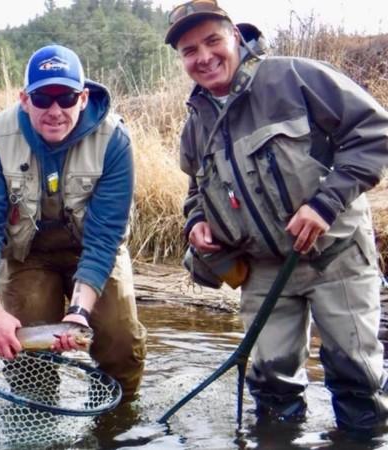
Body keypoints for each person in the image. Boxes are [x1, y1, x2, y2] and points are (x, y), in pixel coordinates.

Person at [166, 0, 388, 432]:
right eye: (190, 50)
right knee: (271, 389)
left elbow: (374, 134)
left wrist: (325, 204)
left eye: (213, 40)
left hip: (335, 256)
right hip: (265, 270)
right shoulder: (195, 123)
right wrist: (197, 223)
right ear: (182, 59)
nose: (204, 56)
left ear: (236, 36)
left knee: (356, 381)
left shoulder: (294, 76)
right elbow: (195, 190)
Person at [0, 44, 147, 399]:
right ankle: (38, 413)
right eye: (43, 97)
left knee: (120, 342)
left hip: (93, 251)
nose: (55, 110)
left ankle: (115, 421)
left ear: (83, 97)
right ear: (24, 99)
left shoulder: (114, 140)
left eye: (66, 97)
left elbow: (105, 237)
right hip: (27, 256)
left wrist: (77, 312)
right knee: (27, 360)